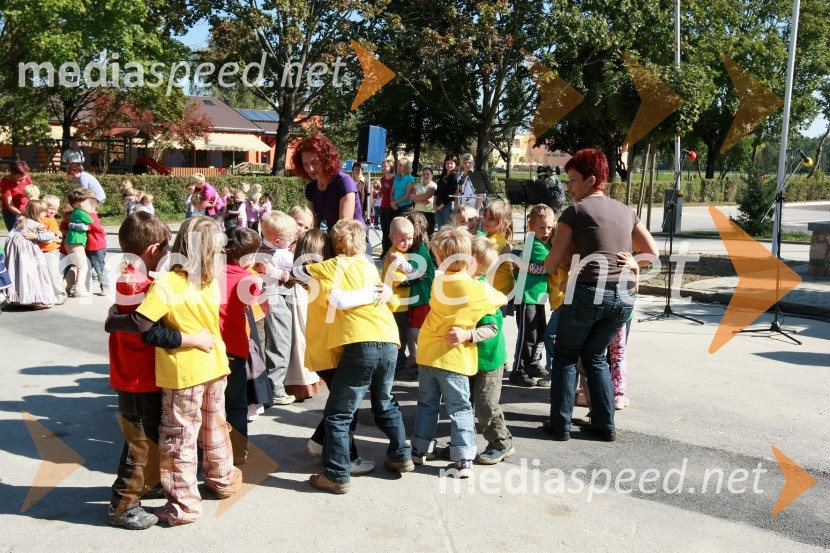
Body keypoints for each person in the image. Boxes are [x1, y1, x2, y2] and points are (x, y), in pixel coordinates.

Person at [104, 216, 242, 526]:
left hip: (181, 373)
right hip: (213, 365)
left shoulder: (162, 282)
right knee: (213, 427)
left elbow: (143, 327)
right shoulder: (210, 278)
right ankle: (222, 479)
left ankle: (183, 504)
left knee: (178, 439)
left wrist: (112, 320)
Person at [542, 149, 658, 443]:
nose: (569, 186)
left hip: (588, 291)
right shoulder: (625, 210)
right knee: (595, 356)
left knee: (567, 356)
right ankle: (605, 424)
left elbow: (552, 263)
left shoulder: (575, 212)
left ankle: (560, 424)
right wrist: (634, 263)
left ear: (592, 180)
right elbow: (653, 254)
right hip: (624, 297)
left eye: (573, 180)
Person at [293, 219, 412, 494]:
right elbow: (393, 295)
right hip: (389, 340)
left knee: (338, 414)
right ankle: (400, 455)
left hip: (355, 345)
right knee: (385, 403)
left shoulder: (331, 268)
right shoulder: (369, 267)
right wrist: (385, 288)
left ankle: (336, 473)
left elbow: (314, 282)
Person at [410, 226, 506, 479]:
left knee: (427, 404)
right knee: (460, 408)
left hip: (429, 354)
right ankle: (463, 458)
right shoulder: (478, 289)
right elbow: (501, 299)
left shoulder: (438, 282)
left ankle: (420, 449)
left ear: (440, 258)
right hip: (455, 358)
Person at [298, 229, 377, 476]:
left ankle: (317, 443)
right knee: (346, 410)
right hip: (330, 352)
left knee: (339, 406)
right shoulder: (323, 281)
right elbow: (343, 301)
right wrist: (375, 292)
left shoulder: (317, 280)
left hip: (325, 350)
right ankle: (349, 458)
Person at [220, 227, 264, 466]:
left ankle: (210, 448)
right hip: (235, 346)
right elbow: (253, 305)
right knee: (236, 402)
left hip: (209, 346)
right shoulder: (249, 279)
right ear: (248, 257)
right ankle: (238, 450)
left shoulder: (208, 274)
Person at [511, 204, 555, 388]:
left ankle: (533, 364)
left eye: (550, 227)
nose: (546, 231)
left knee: (539, 333)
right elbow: (549, 264)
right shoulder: (534, 243)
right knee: (527, 335)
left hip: (538, 295)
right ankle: (518, 370)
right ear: (531, 227)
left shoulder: (544, 242)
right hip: (526, 295)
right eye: (542, 227)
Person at [258, 210, 299, 405]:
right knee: (280, 341)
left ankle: (265, 386)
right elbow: (297, 274)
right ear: (277, 241)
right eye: (289, 238)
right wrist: (282, 274)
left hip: (261, 298)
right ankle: (276, 388)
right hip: (276, 297)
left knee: (265, 342)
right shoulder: (282, 254)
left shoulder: (258, 250)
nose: (292, 241)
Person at [294, 134, 366, 231]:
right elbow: (312, 223)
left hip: (354, 240)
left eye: (315, 162)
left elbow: (344, 228)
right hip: (332, 237)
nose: (310, 169)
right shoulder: (311, 187)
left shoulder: (344, 182)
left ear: (326, 160)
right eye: (305, 164)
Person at [2, 199, 57, 309]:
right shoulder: (36, 225)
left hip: (14, 252)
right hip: (27, 252)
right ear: (37, 213)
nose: (46, 214)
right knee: (33, 273)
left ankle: (17, 298)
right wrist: (44, 236)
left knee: (17, 272)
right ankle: (37, 300)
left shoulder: (20, 220)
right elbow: (47, 236)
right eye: (43, 212)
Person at [382, 217, 416, 380]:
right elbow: (401, 282)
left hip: (399, 304)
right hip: (395, 306)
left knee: (402, 335)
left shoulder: (399, 253)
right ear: (391, 238)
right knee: (399, 338)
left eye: (409, 238)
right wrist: (416, 276)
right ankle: (399, 367)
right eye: (402, 239)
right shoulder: (395, 256)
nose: (406, 242)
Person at [64, 190, 97, 297]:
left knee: (76, 266)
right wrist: (92, 209)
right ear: (73, 204)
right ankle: (79, 290)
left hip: (71, 241)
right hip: (75, 242)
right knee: (83, 266)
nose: (84, 203)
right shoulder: (80, 213)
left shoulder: (76, 212)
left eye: (84, 201)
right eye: (81, 201)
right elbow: (92, 220)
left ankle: (65, 287)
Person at [40, 195, 65, 304]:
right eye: (50, 208)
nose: (53, 211)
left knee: (54, 273)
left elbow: (52, 235)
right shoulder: (40, 218)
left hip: (50, 251)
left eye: (55, 209)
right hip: (41, 250)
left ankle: (60, 295)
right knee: (44, 274)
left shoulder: (51, 220)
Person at [1, 161, 33, 231]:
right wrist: (21, 214)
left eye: (25, 175)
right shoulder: (5, 181)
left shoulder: (26, 177)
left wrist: (32, 208)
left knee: (27, 232)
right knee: (15, 232)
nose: (24, 178)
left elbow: (32, 194)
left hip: (25, 208)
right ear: (13, 173)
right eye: (21, 176)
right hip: (10, 211)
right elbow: (9, 205)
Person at [435, 154, 460, 229]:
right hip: (438, 205)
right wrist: (434, 205)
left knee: (447, 229)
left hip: (447, 206)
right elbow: (437, 191)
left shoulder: (455, 176)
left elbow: (451, 193)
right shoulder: (443, 175)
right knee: (440, 229)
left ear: (456, 164)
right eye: (447, 163)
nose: (449, 165)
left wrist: (440, 206)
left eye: (451, 163)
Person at [412, 166, 438, 238]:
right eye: (424, 174)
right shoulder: (418, 185)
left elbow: (426, 200)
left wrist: (416, 198)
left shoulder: (433, 186)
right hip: (417, 213)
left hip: (429, 214)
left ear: (432, 175)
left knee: (428, 235)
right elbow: (412, 198)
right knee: (418, 235)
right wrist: (421, 198)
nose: (425, 176)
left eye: (428, 174)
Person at [378, 160, 396, 254]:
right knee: (384, 231)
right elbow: (383, 192)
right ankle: (384, 251)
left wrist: (383, 190)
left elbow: (391, 192)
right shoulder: (382, 179)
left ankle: (390, 251)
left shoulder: (395, 178)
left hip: (391, 207)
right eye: (383, 166)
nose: (384, 168)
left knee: (390, 232)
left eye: (386, 166)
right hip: (383, 206)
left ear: (391, 167)